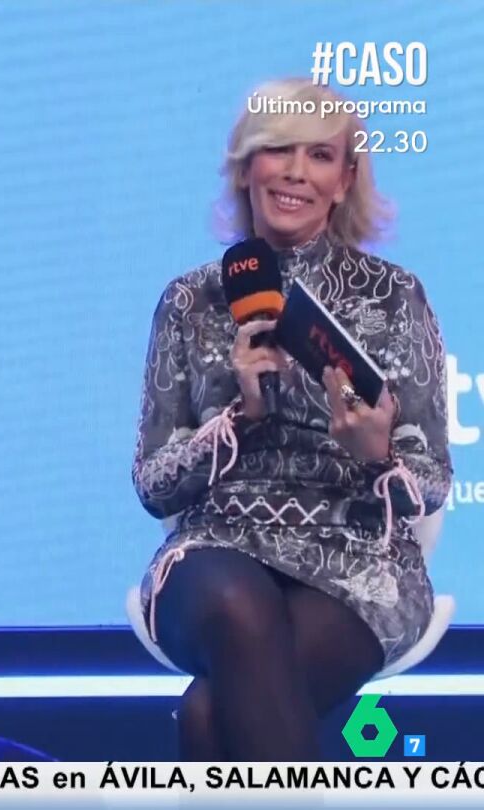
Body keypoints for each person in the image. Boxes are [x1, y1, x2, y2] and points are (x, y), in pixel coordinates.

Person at [131, 78, 452, 761]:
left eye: (320, 155)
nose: (296, 173)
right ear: (246, 166)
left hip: (358, 558)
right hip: (216, 549)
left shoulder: (395, 297)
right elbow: (154, 484)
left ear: (345, 181)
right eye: (279, 151)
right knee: (234, 604)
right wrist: (240, 418)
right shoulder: (190, 301)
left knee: (210, 716)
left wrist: (377, 455)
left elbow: (432, 482)